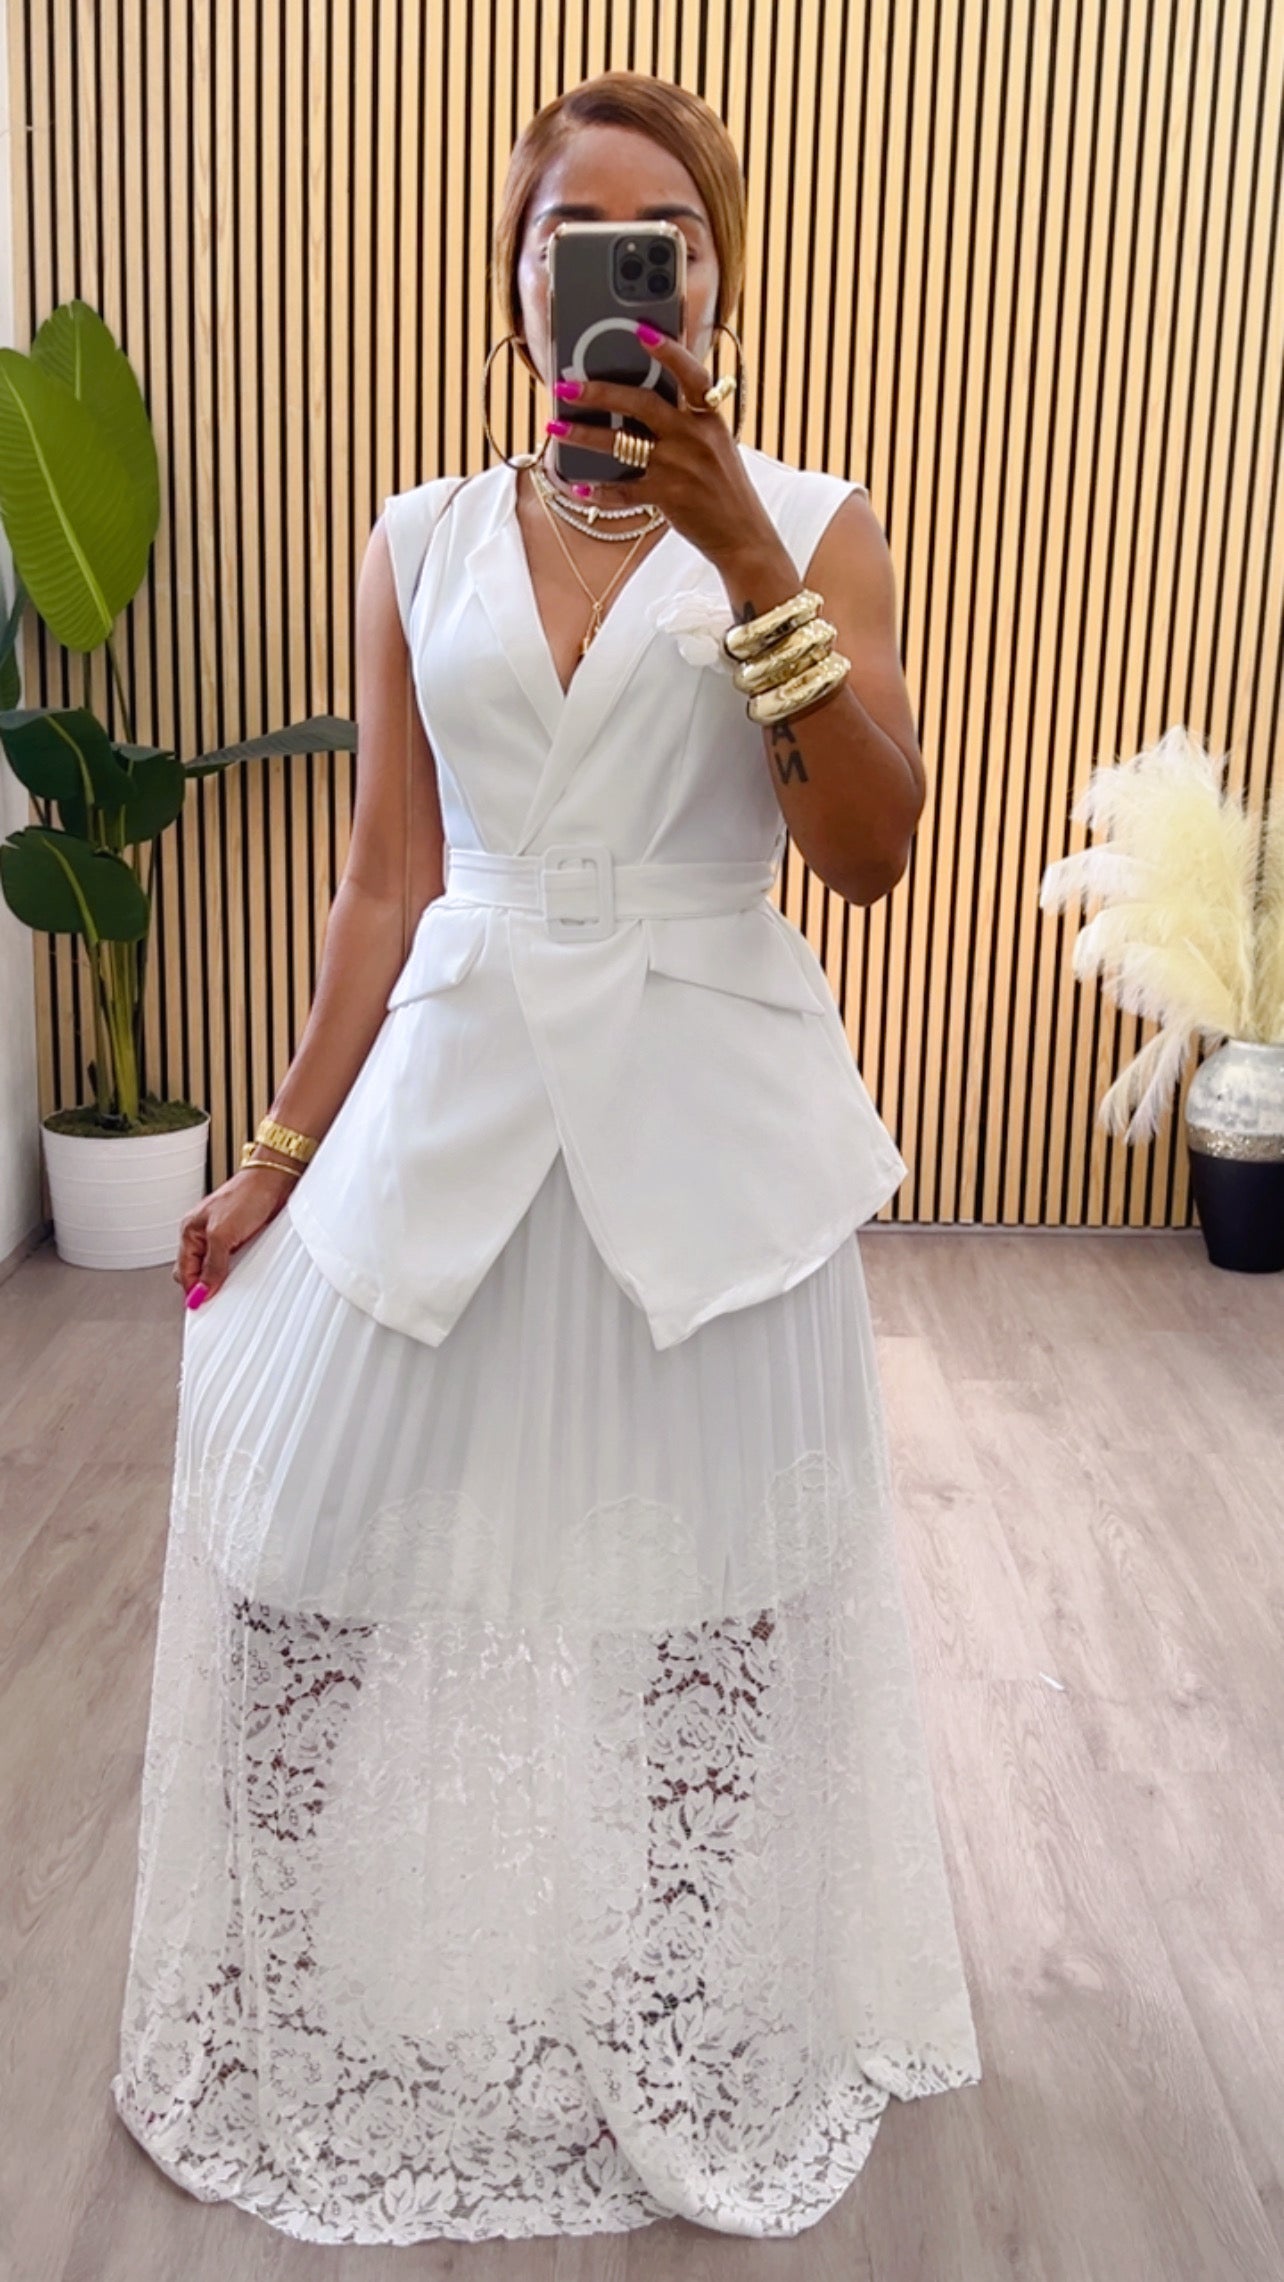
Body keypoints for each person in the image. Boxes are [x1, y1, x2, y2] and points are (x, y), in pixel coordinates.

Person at [109, 69, 982, 2247]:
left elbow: (869, 851)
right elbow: (386, 879)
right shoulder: (414, 536)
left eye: (661, 233)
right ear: (516, 287)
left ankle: (678, 1998)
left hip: (708, 1121)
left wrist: (742, 547)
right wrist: (279, 1151)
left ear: (716, 277)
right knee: (304, 1546)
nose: (619, 262)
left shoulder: (812, 518)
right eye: (575, 232)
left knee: (716, 1598)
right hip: (458, 1083)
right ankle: (289, 1981)